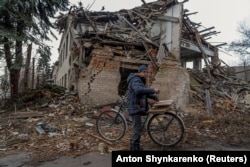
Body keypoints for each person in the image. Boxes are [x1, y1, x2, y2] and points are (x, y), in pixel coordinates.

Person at [126, 64, 159, 151]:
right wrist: (153, 90)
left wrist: (154, 96)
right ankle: (133, 148)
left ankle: (136, 146)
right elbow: (138, 90)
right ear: (139, 72)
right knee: (137, 129)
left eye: (146, 72)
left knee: (138, 128)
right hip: (134, 107)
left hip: (136, 106)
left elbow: (144, 92)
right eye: (144, 72)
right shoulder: (135, 80)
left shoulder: (139, 80)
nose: (146, 74)